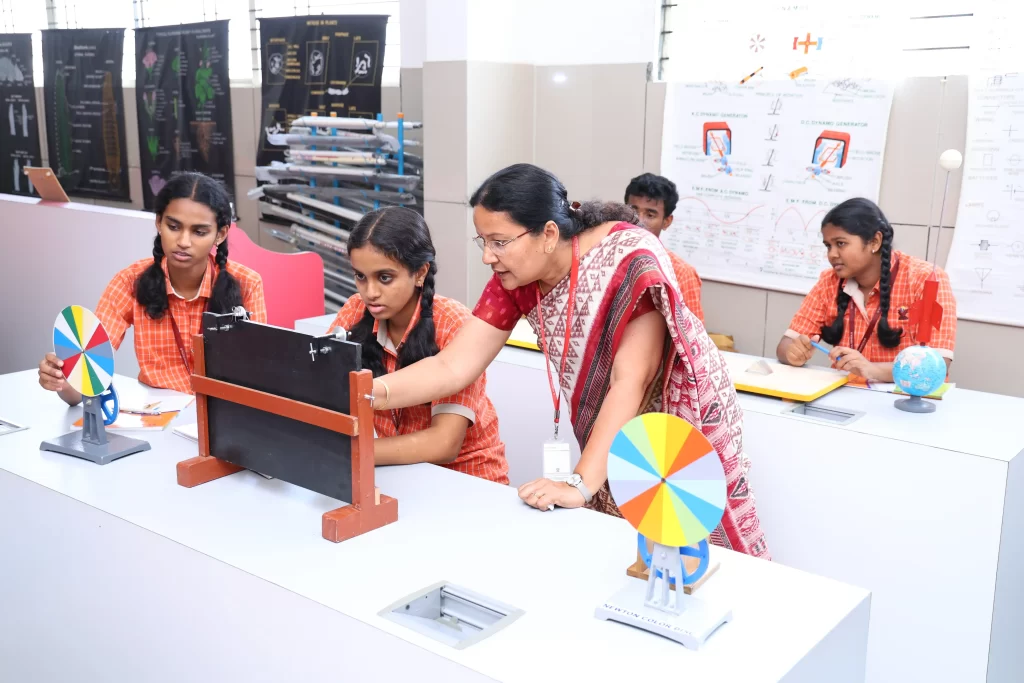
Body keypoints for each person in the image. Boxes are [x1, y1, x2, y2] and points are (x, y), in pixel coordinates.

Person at [363, 164, 769, 559]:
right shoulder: (517, 277)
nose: (488, 256)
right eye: (482, 241)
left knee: (699, 552)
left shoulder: (630, 255)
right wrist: (371, 393)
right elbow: (452, 366)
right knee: (622, 553)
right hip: (609, 424)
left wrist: (579, 482)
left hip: (678, 421)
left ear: (548, 234)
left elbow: (633, 378)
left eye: (499, 241)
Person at [38, 172, 267, 403]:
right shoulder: (130, 281)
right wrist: (62, 381)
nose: (184, 242)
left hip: (226, 417)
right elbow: (83, 387)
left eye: (199, 232)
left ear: (220, 234)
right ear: (159, 222)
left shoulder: (247, 283)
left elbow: (259, 374)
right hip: (157, 418)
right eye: (174, 226)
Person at [327, 207, 509, 484]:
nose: (370, 292)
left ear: (420, 273)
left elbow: (443, 444)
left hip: (468, 481)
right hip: (404, 474)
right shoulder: (355, 310)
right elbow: (321, 388)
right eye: (360, 276)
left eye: (385, 278)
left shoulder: (453, 324)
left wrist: (344, 450)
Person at [776, 197, 957, 381]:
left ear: (875, 242)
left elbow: (937, 364)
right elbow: (785, 345)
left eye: (840, 243)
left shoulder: (925, 279)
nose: (831, 254)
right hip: (846, 395)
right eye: (828, 246)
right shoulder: (829, 281)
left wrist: (871, 370)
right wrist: (792, 353)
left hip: (905, 401)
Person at [624, 172, 704, 321]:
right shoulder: (606, 258)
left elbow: (693, 340)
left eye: (650, 215)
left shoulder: (680, 273)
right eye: (633, 211)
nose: (638, 221)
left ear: (666, 221)